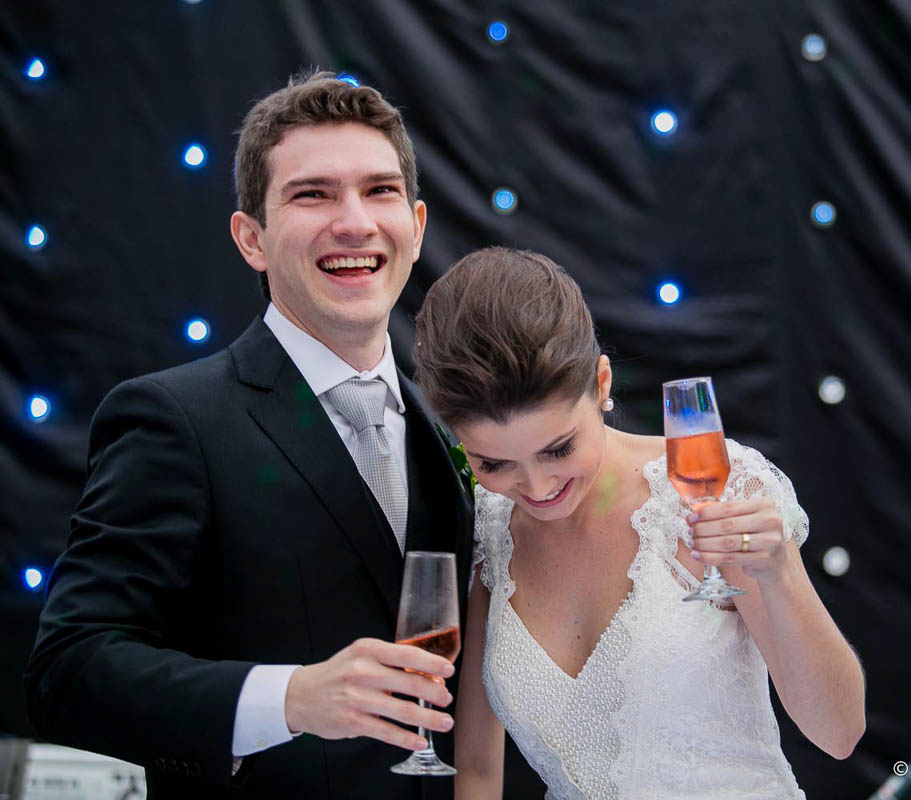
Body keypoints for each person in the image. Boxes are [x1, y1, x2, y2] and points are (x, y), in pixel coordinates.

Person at [24, 70, 473, 799]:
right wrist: (290, 699)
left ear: (417, 229)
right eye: (312, 194)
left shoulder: (453, 427)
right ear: (252, 239)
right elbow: (67, 674)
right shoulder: (173, 419)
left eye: (379, 190)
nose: (354, 222)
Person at [411, 247, 866, 798]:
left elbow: (839, 734)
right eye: (494, 464)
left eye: (558, 449)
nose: (536, 489)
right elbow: (479, 773)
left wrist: (781, 577)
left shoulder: (712, 490)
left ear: (602, 383)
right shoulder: (487, 531)